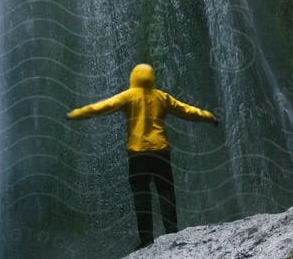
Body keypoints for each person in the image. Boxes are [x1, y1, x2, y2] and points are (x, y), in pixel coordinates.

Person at [68, 63, 218, 249]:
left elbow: (102, 106)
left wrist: (77, 114)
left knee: (141, 196)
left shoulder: (129, 96)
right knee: (166, 192)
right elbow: (186, 110)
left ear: (134, 78)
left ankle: (146, 239)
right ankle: (171, 231)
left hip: (138, 154)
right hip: (160, 151)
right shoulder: (161, 97)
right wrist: (209, 116)